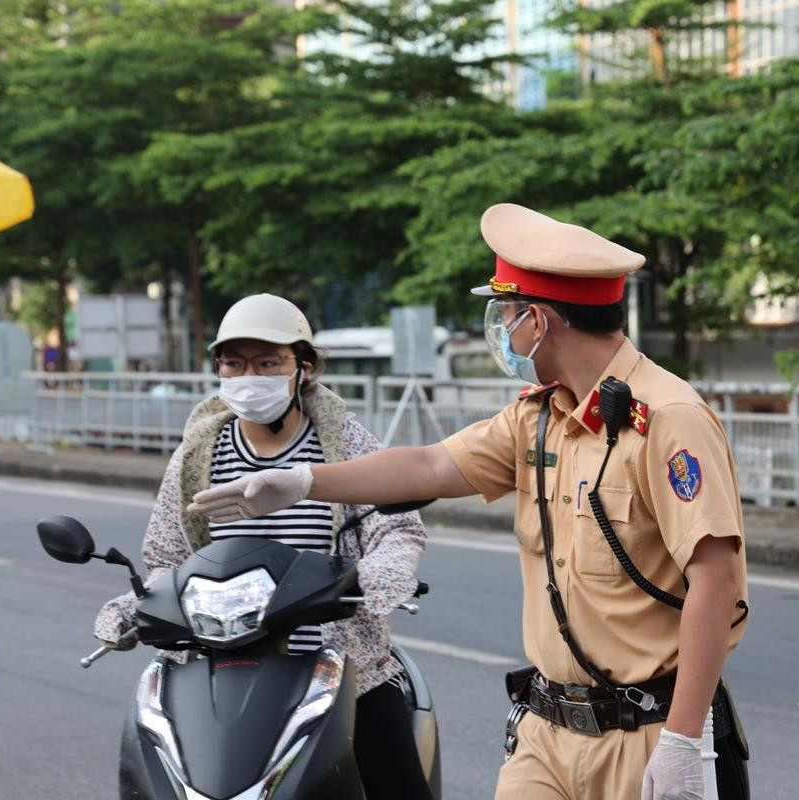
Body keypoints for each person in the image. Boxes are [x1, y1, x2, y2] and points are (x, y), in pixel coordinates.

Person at [189, 205, 750, 800]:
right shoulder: (540, 416)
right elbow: (430, 464)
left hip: (649, 733)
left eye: (504, 314)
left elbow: (716, 581)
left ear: (538, 320)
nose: (500, 329)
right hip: (548, 733)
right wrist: (304, 482)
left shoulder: (668, 419)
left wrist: (685, 742)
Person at [94, 292, 433, 800]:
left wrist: (376, 574)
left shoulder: (345, 444)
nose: (250, 375)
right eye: (234, 363)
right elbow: (166, 557)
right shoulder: (196, 457)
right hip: (217, 670)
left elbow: (397, 527)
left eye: (268, 362)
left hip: (340, 666)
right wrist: (134, 606)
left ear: (304, 366)